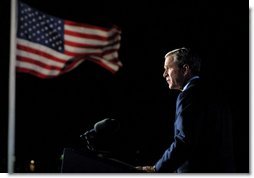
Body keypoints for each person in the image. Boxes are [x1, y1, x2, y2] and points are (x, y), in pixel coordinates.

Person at [136, 47, 235, 173]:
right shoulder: (216, 94)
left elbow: (184, 142)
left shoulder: (189, 95)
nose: (164, 74)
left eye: (168, 68)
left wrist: (157, 169)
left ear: (185, 69)